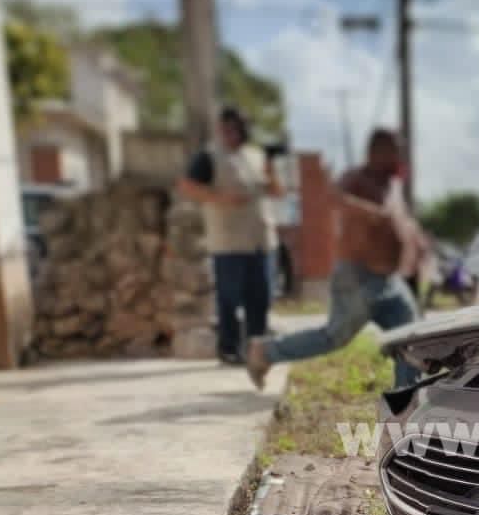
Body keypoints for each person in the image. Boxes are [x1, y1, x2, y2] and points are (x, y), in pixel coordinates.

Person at [246, 129, 425, 391]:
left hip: (389, 281)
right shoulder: (358, 178)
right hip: (357, 277)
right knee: (333, 337)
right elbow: (332, 199)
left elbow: (399, 222)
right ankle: (265, 351)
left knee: (413, 337)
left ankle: (408, 399)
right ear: (378, 152)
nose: (400, 155)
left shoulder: (392, 184)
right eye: (395, 149)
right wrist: (372, 213)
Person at [178, 107, 283, 364]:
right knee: (229, 299)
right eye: (228, 128)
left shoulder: (255, 155)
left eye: (238, 128)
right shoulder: (209, 156)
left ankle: (257, 349)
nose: (233, 134)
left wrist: (271, 172)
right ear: (220, 129)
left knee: (260, 297)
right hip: (229, 242)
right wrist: (220, 199)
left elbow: (277, 191)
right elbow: (187, 186)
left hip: (260, 240)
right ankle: (228, 349)